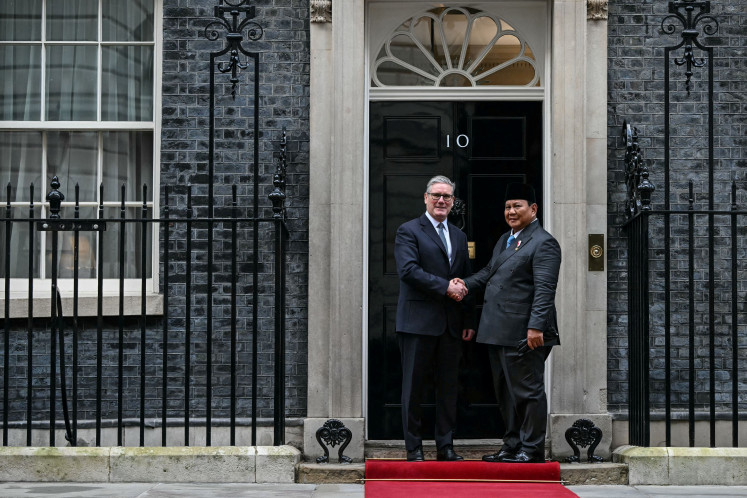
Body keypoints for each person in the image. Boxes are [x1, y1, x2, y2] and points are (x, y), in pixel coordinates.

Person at [451, 183, 561, 464]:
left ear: (533, 209)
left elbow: (545, 288)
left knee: (527, 392)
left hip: (525, 333)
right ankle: (512, 446)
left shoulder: (544, 242)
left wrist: (536, 326)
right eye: (507, 207)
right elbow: (489, 271)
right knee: (506, 394)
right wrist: (464, 284)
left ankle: (532, 449)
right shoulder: (506, 239)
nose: (511, 212)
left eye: (517, 206)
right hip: (497, 330)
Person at [394, 175, 475, 462]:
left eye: (447, 197)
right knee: (414, 388)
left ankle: (445, 445)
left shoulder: (459, 236)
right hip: (418, 322)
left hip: (451, 325)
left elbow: (463, 277)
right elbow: (408, 271)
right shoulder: (409, 231)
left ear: (453, 202)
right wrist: (445, 287)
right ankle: (414, 448)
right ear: (426, 198)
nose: (442, 201)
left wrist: (467, 321)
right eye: (436, 195)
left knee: (449, 388)